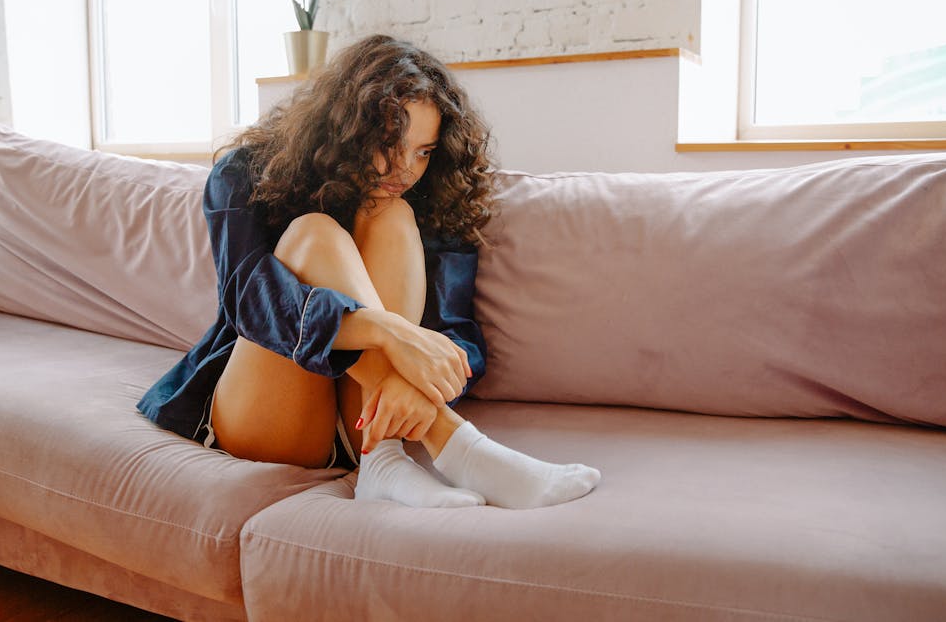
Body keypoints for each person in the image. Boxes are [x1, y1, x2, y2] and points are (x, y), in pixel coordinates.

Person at [138, 34, 600, 508]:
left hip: (367, 424)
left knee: (392, 214)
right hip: (269, 417)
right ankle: (460, 447)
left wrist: (403, 374)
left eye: (423, 150)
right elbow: (250, 303)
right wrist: (387, 332)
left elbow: (456, 333)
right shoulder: (244, 172)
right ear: (344, 128)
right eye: (389, 144)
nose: (405, 168)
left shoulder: (433, 194)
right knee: (315, 233)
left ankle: (381, 462)